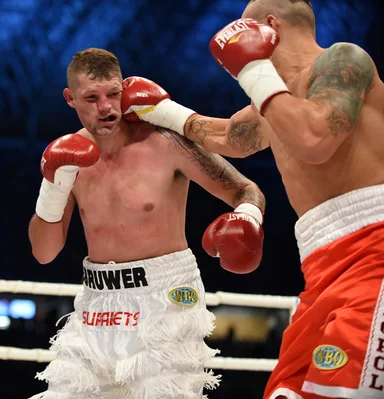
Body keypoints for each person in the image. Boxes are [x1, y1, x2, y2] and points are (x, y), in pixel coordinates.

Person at [120, 1, 384, 398]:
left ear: (269, 28)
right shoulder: (275, 105)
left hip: (374, 254)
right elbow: (232, 139)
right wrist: (161, 111)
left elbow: (315, 140)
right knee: (287, 391)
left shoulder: (343, 59)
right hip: (321, 266)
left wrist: (253, 69)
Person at [28, 47, 267, 399]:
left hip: (167, 297)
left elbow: (246, 189)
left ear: (126, 89)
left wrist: (247, 217)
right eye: (91, 98)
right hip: (96, 301)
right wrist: (52, 185)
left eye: (113, 94)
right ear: (70, 98)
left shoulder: (165, 142)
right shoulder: (67, 159)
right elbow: (45, 253)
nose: (106, 107)